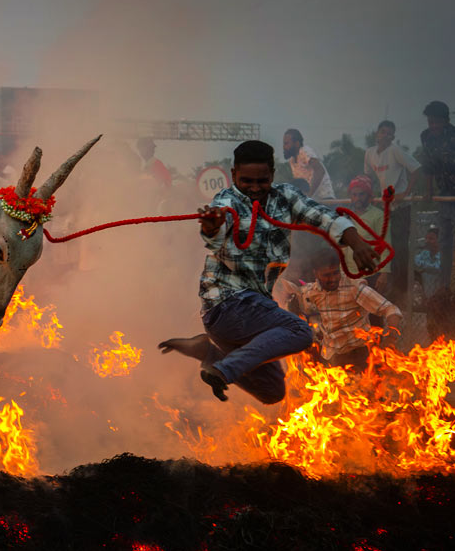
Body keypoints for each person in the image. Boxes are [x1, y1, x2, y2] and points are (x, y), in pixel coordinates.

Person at [158, 140, 379, 403]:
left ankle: (210, 353)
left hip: (251, 312)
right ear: (233, 175)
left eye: (261, 181)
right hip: (226, 304)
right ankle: (223, 368)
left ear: (272, 176)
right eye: (246, 181)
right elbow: (215, 239)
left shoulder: (285, 197)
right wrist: (210, 228)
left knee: (272, 391)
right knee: (301, 332)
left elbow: (322, 215)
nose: (254, 189)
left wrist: (355, 242)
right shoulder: (226, 201)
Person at [285, 248, 401, 371]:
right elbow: (296, 295)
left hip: (359, 356)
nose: (333, 279)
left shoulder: (354, 287)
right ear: (316, 274)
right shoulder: (312, 292)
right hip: (330, 358)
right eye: (327, 275)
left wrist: (391, 338)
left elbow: (390, 309)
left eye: (335, 273)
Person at [364, 120, 420, 307]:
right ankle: (388, 286)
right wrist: (370, 194)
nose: (385, 135)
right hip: (385, 206)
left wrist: (406, 193)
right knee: (385, 245)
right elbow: (368, 176)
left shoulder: (395, 151)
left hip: (401, 208)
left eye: (389, 133)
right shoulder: (370, 153)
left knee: (400, 248)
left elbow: (416, 169)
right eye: (383, 132)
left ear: (393, 137)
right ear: (377, 134)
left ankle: (401, 290)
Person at [420, 101, 455, 296]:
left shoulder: (453, 136)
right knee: (445, 240)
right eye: (430, 122)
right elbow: (428, 166)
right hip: (444, 193)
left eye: (437, 122)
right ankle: (445, 287)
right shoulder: (426, 137)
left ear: (445, 121)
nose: (433, 126)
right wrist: (428, 191)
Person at [344, 176, 391, 296]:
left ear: (369, 196)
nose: (357, 198)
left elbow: (385, 244)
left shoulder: (378, 215)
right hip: (349, 274)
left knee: (374, 312)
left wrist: (384, 273)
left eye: (361, 194)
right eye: (354, 195)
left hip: (371, 274)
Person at [283, 128, 334, 200]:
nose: (284, 147)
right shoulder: (292, 161)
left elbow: (320, 171)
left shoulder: (305, 151)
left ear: (297, 144)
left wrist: (309, 195)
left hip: (324, 197)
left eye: (286, 143)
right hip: (313, 201)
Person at [415, 226, 443, 301]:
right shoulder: (425, 253)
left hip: (439, 295)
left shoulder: (444, 256)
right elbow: (414, 262)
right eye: (426, 238)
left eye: (431, 239)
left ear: (439, 240)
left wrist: (422, 266)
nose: (427, 241)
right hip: (426, 294)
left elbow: (437, 268)